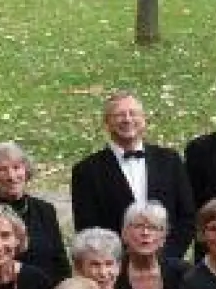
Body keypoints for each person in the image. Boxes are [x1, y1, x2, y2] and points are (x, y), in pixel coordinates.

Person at [71, 91, 195, 259]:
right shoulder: (86, 171)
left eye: (133, 113)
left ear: (144, 120)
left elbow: (187, 216)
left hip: (167, 264)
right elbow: (87, 227)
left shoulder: (170, 160)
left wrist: (166, 257)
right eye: (119, 115)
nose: (127, 119)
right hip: (114, 267)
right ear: (107, 123)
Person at [0, 142, 71, 281]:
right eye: (2, 169)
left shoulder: (45, 210)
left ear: (26, 171)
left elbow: (60, 265)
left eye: (16, 167)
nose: (12, 176)